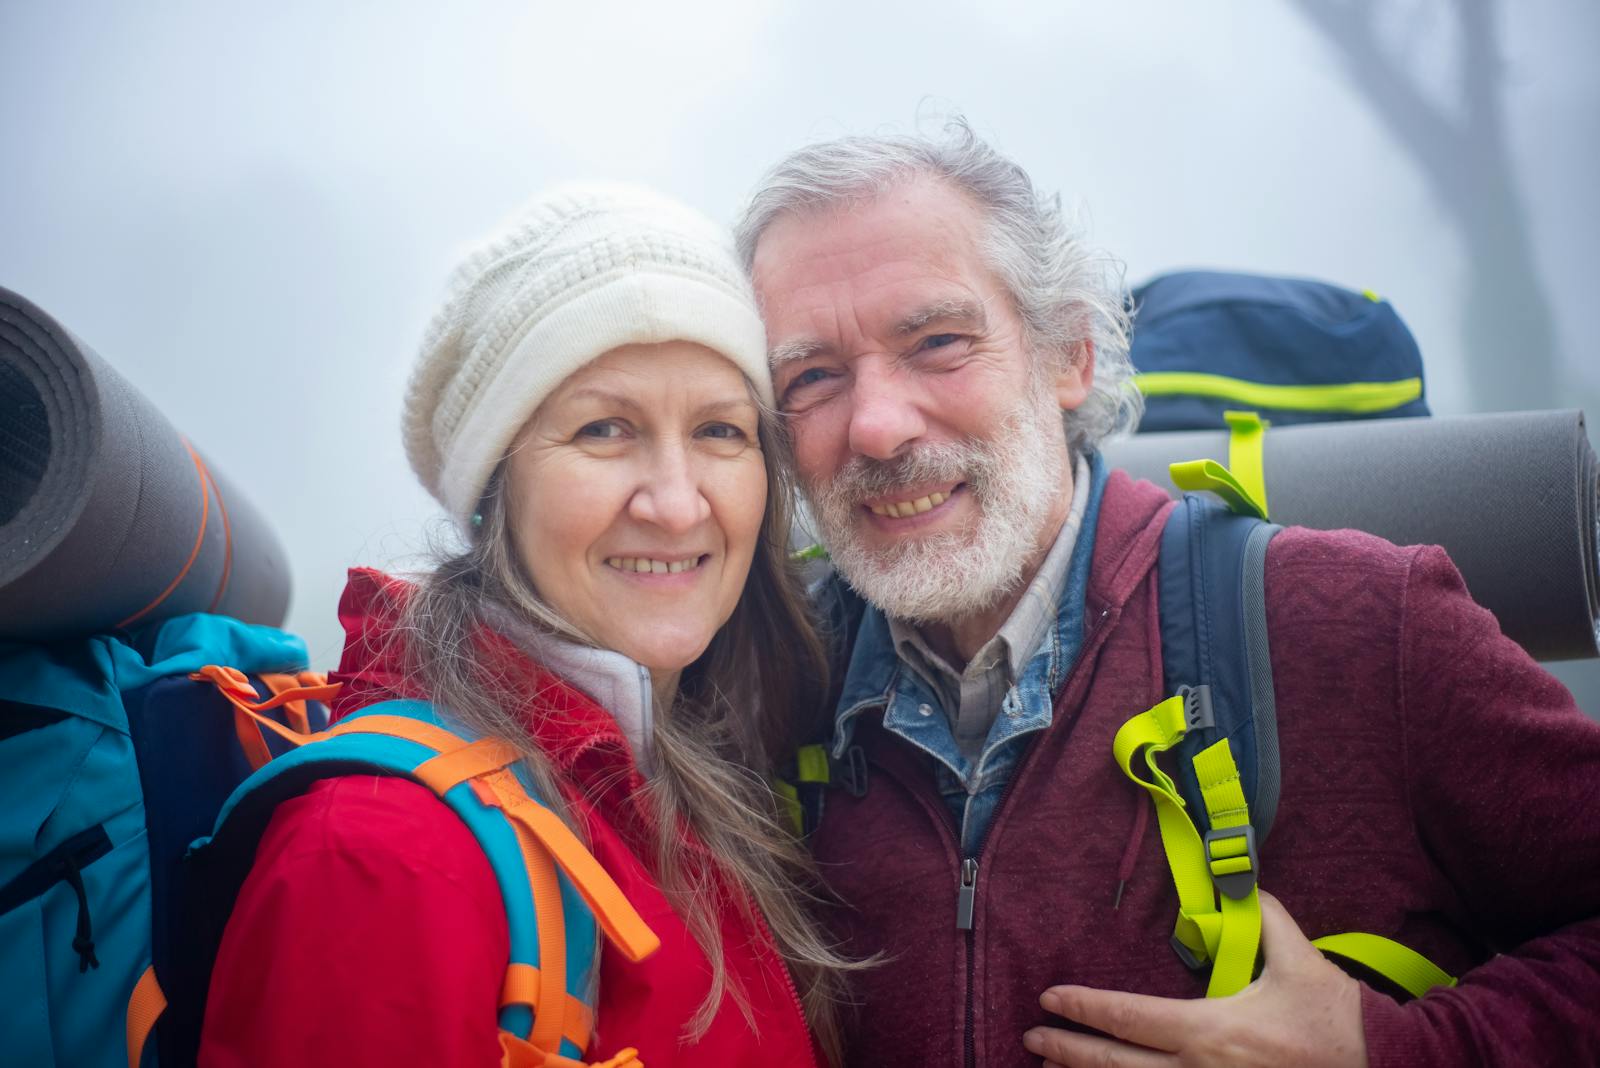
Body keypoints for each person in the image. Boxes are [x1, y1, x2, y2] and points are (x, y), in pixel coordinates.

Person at [735, 120, 1600, 1067]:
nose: (877, 426)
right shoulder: (757, 694)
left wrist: (1394, 1051)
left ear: (1070, 355)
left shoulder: (1356, 621)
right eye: (812, 375)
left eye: (937, 341)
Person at [199, 184, 854, 1068]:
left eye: (720, 431)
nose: (674, 501)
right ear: (490, 495)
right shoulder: (381, 852)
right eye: (604, 429)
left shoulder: (698, 780)